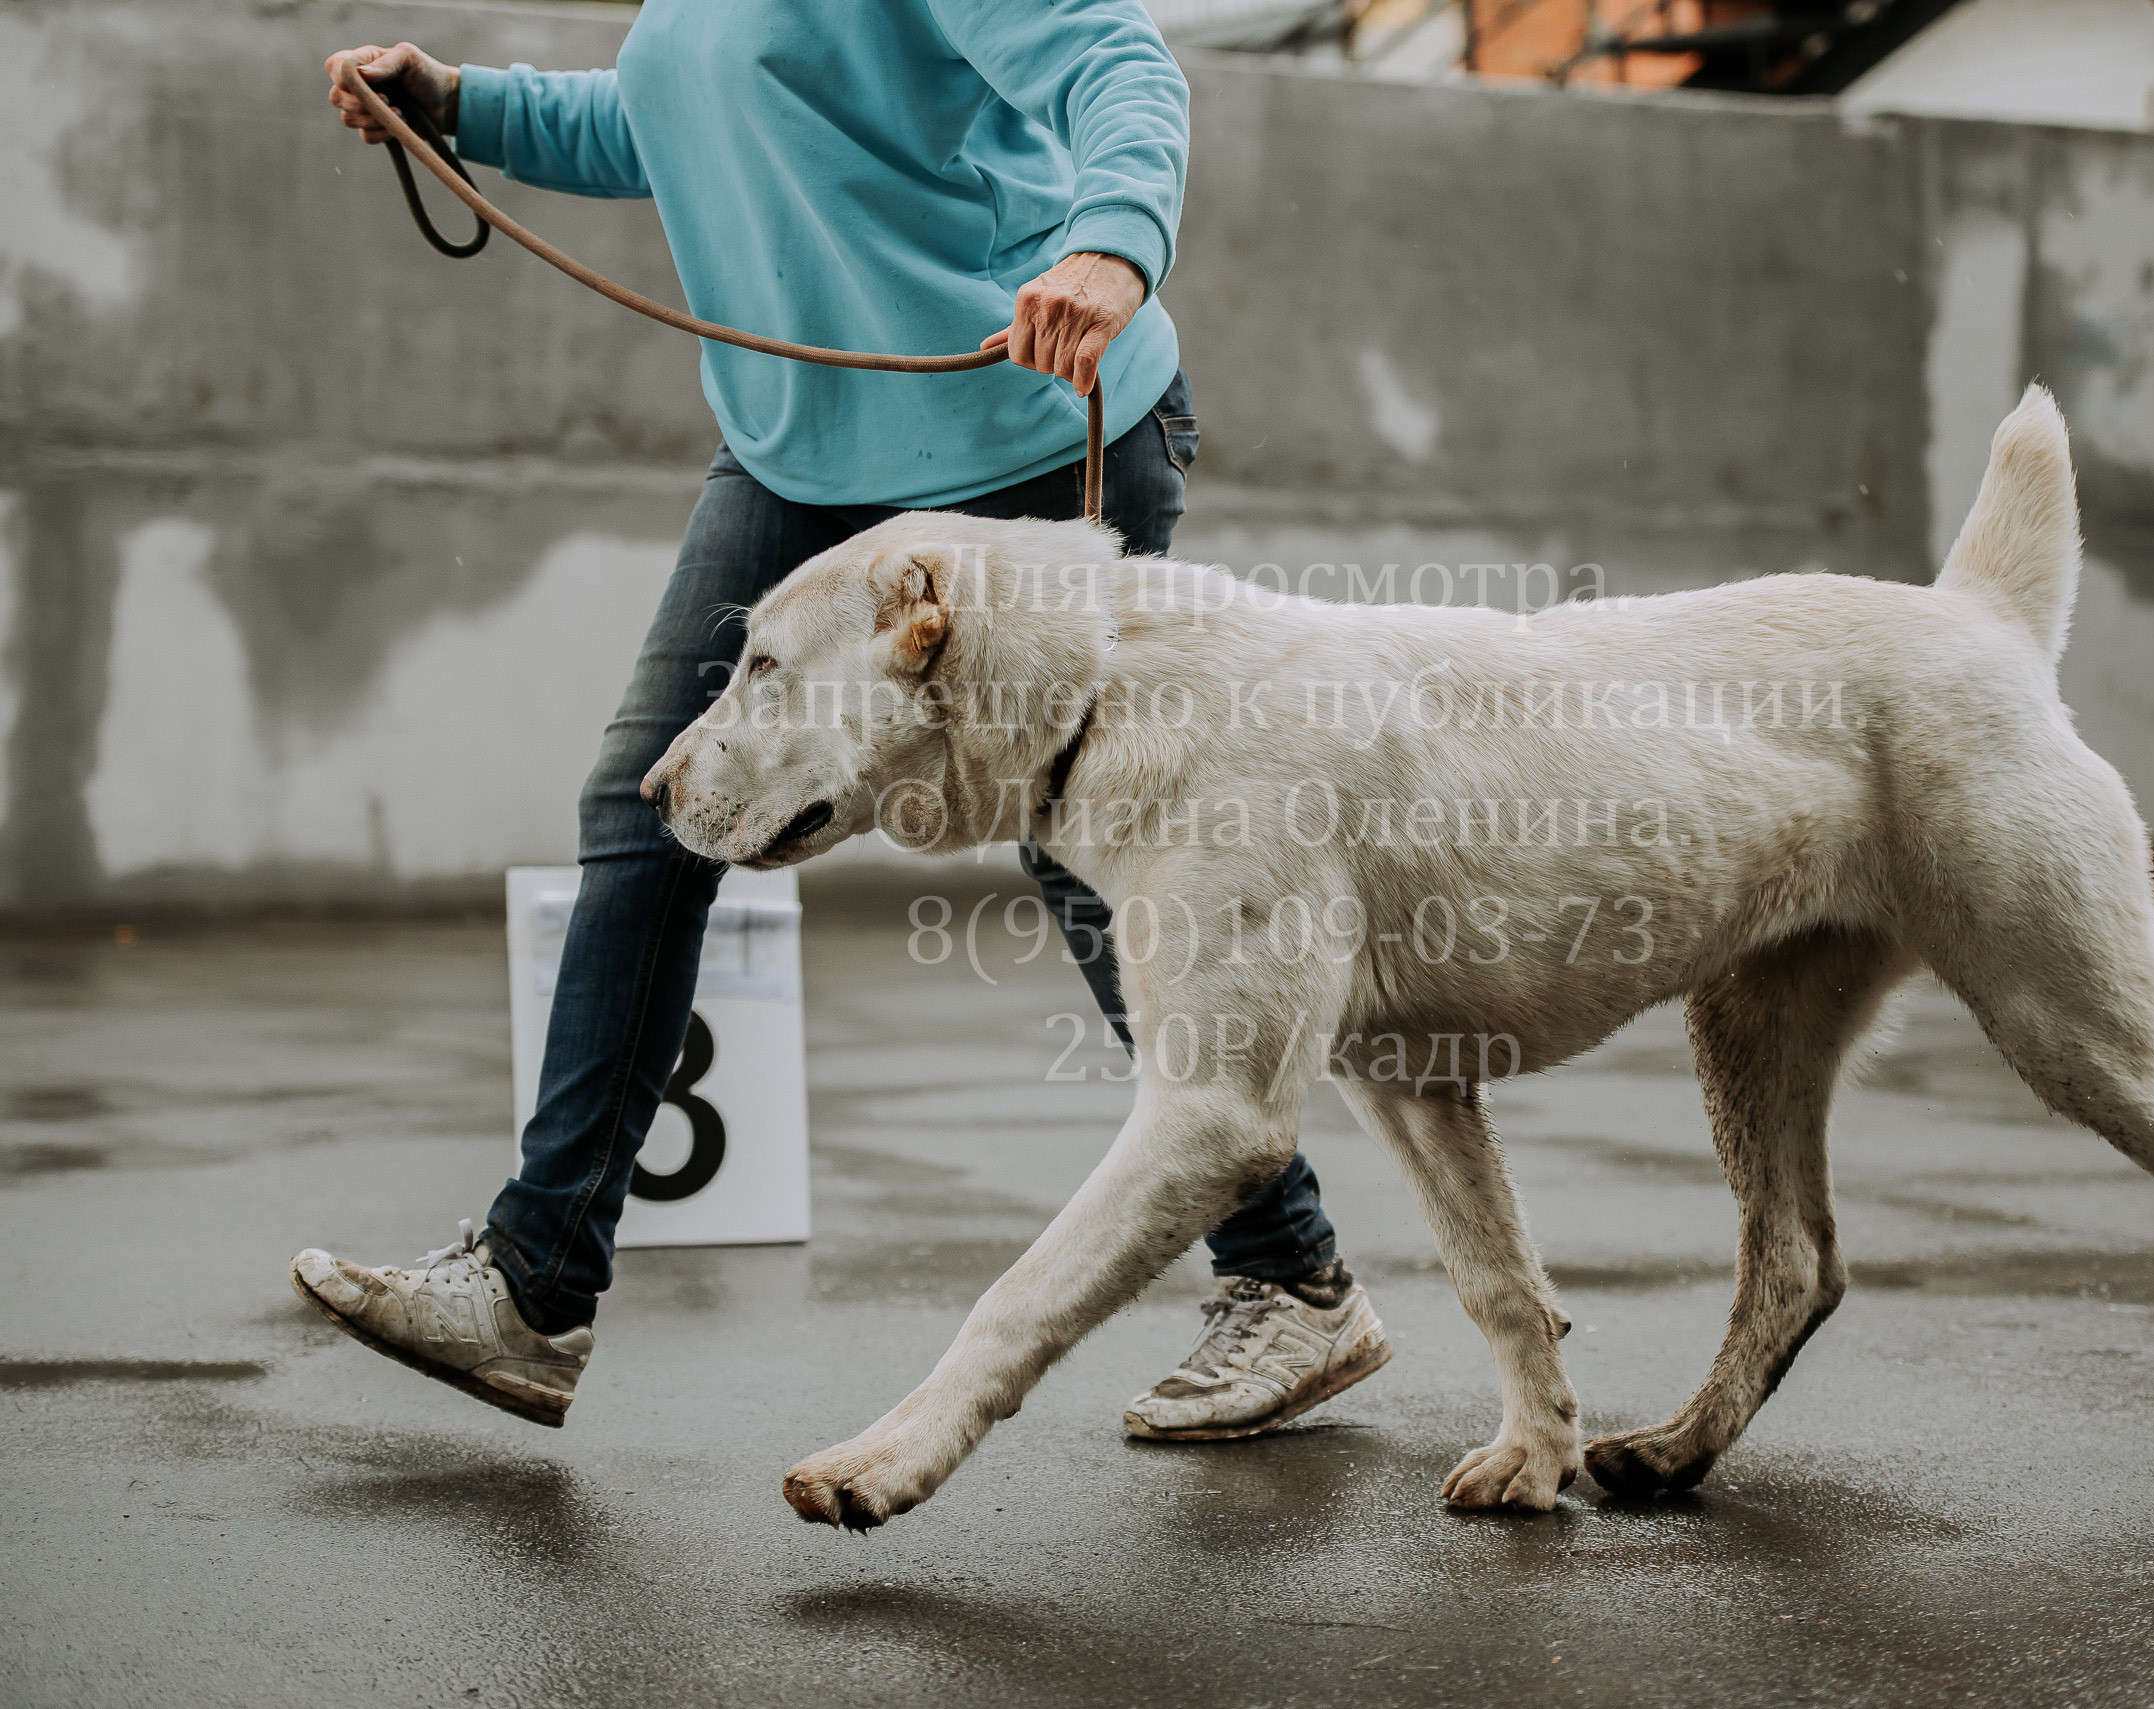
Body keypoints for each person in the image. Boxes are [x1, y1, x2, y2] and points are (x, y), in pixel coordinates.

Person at [287, 2, 1391, 1444]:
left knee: (1086, 852)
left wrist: (1111, 245)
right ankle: (533, 1284)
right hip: (798, 460)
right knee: (652, 804)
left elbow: (1115, 60)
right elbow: (667, 120)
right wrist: (459, 104)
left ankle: (1291, 1282)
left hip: (1023, 428)